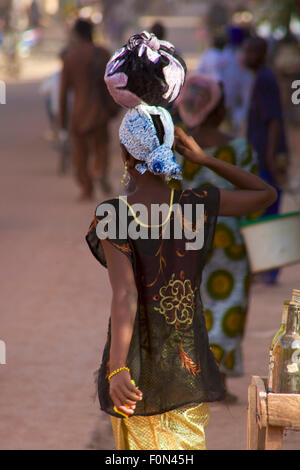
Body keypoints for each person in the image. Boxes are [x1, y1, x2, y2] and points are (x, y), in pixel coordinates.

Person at [86, 103, 276, 449]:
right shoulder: (196, 204)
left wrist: (116, 369)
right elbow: (265, 195)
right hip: (185, 362)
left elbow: (125, 294)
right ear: (172, 147)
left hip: (133, 364)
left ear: (125, 152)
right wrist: (206, 160)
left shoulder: (113, 214)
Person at [175, 73, 259, 402]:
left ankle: (192, 378)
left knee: (191, 304)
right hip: (230, 243)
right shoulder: (237, 148)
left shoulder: (176, 146)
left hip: (186, 239)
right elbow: (255, 195)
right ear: (218, 107)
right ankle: (216, 381)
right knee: (230, 303)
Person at [242, 36, 289, 284]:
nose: (245, 57)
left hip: (266, 158)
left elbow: (273, 121)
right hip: (260, 156)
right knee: (264, 211)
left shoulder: (265, 80)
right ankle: (266, 268)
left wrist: (269, 156)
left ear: (260, 54)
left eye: (250, 53)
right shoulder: (261, 78)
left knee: (267, 211)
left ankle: (269, 271)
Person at [59, 19, 119, 201]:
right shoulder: (103, 53)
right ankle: (99, 170)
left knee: (80, 154)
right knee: (101, 147)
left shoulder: (70, 57)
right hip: (99, 111)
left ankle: (87, 189)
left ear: (76, 34)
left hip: (79, 112)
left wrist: (62, 121)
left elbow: (63, 93)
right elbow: (114, 83)